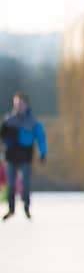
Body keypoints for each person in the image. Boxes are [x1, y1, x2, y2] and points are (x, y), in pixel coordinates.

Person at [1, 92, 47, 221]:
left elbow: (41, 138)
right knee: (11, 184)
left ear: (26, 105)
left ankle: (26, 207)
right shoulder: (8, 120)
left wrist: (43, 153)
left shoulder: (32, 122)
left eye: (21, 103)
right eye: (16, 103)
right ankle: (11, 209)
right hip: (11, 156)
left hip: (25, 155)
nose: (19, 106)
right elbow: (3, 137)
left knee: (25, 184)